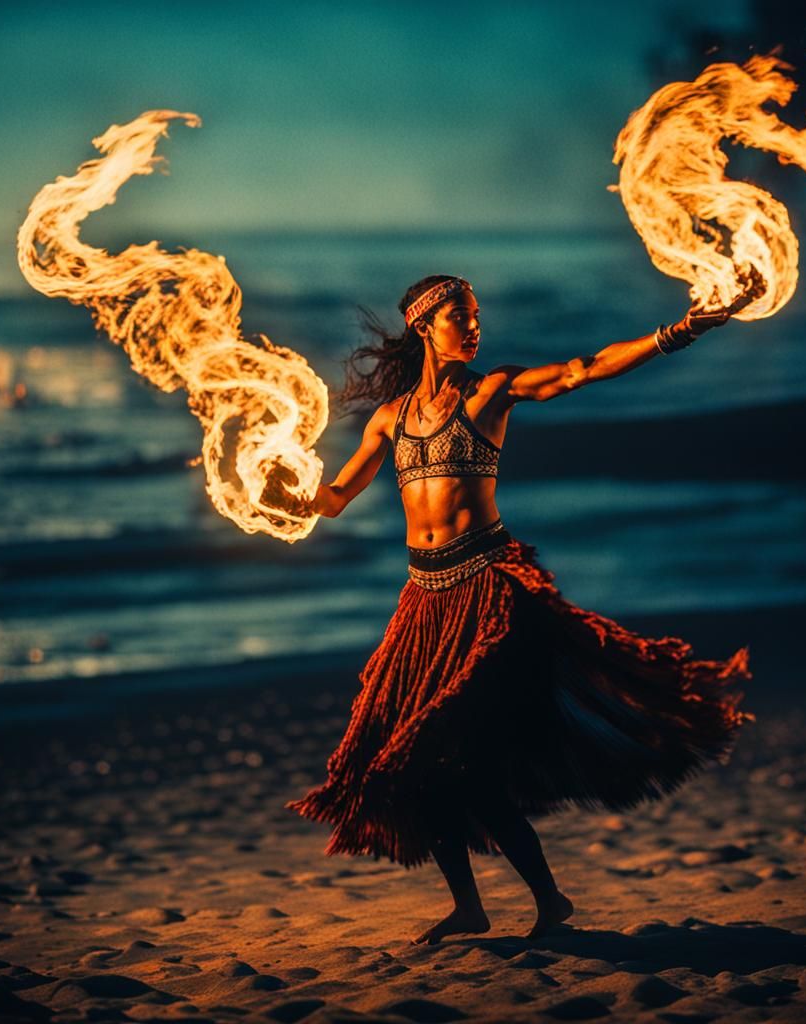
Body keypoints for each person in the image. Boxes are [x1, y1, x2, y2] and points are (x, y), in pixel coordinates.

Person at [283, 273, 759, 944]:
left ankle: (548, 901)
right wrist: (292, 495)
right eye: (458, 315)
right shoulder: (390, 419)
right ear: (424, 325)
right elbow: (333, 500)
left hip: (488, 590)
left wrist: (683, 329)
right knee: (414, 763)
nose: (473, 326)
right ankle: (470, 907)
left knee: (461, 759)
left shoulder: (491, 391)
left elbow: (582, 369)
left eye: (476, 315)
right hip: (424, 601)